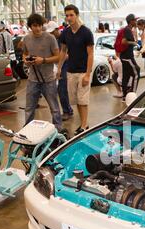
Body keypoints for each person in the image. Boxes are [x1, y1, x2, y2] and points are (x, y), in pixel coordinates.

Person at [57, 4, 94, 135]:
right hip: (70, 71)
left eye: (71, 15)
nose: (69, 18)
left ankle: (84, 125)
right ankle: (83, 123)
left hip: (83, 71)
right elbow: (63, 51)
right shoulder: (65, 33)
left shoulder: (86, 32)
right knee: (76, 100)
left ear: (77, 15)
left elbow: (90, 54)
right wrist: (59, 68)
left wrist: (88, 74)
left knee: (83, 100)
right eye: (67, 15)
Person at [22, 14, 62, 131]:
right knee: (29, 108)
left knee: (54, 107)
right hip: (33, 79)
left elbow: (58, 57)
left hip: (48, 79)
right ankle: (27, 130)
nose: (38, 28)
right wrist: (26, 59)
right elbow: (24, 53)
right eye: (35, 26)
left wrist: (43, 60)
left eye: (40, 25)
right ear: (30, 26)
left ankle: (58, 130)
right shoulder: (27, 39)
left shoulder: (50, 38)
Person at [45, 21, 74, 121]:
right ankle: (68, 109)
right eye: (50, 33)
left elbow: (68, 54)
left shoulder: (66, 38)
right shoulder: (53, 39)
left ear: (57, 29)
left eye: (53, 32)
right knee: (59, 90)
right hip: (57, 66)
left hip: (66, 65)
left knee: (62, 90)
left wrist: (58, 59)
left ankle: (67, 111)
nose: (52, 34)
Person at [120, 14, 140, 101]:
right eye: (134, 20)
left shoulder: (128, 29)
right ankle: (133, 94)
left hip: (124, 56)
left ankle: (125, 96)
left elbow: (125, 41)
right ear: (131, 21)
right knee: (136, 73)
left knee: (126, 75)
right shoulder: (127, 30)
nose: (136, 22)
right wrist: (134, 43)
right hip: (128, 57)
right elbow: (124, 42)